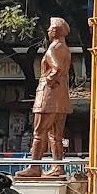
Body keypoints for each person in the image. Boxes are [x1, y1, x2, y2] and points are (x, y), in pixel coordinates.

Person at [19, 17, 71, 178]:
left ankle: (34, 166)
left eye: (50, 29)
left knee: (39, 132)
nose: (48, 31)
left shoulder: (53, 49)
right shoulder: (65, 48)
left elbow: (57, 68)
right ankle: (58, 167)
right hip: (61, 99)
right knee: (56, 135)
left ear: (55, 31)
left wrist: (48, 80)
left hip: (48, 97)